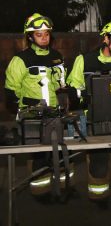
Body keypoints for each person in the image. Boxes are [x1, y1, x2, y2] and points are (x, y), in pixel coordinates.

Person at [4, 13, 72, 198]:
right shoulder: (20, 59)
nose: (44, 38)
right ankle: (41, 192)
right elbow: (11, 90)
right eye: (39, 34)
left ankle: (65, 187)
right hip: (33, 116)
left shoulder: (57, 56)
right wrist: (22, 110)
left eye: (46, 34)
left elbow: (62, 84)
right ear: (30, 36)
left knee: (63, 152)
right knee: (40, 156)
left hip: (57, 114)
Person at [66, 20, 111, 204]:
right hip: (92, 119)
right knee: (98, 161)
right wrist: (86, 100)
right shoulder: (84, 60)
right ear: (106, 38)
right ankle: (99, 197)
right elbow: (73, 90)